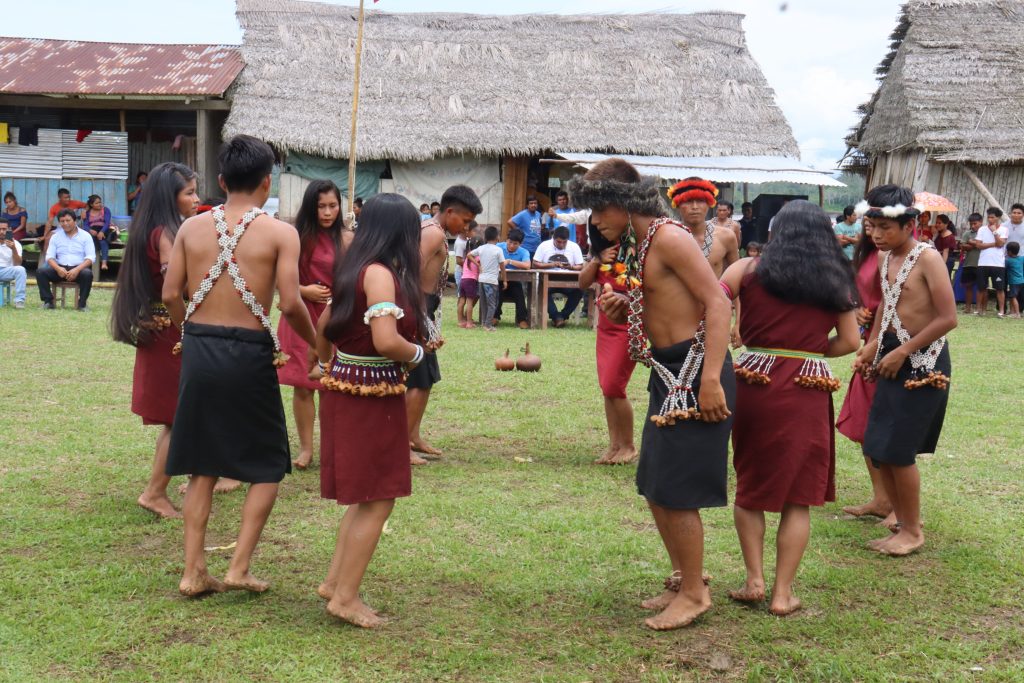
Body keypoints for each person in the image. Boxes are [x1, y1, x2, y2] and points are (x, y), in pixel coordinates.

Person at [573, 158, 734, 631]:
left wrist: (710, 380)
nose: (597, 220)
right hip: (668, 373)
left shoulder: (668, 237)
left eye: (601, 209)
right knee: (656, 484)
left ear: (624, 203)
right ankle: (688, 578)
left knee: (677, 490)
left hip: (694, 373)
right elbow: (668, 302)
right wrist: (628, 306)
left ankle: (694, 595)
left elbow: (718, 301)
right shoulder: (640, 244)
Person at [161, 134, 316, 596]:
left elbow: (171, 295)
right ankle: (239, 568)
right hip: (249, 352)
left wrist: (188, 333)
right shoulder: (280, 233)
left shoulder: (191, 228)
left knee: (201, 466)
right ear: (268, 184)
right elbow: (291, 304)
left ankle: (193, 572)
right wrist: (316, 346)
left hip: (201, 349)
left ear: (223, 180)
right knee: (268, 464)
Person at [721, 200, 859, 616]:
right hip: (806, 384)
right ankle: (783, 595)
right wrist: (808, 350)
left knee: (750, 488)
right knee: (797, 498)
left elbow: (710, 300)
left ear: (775, 230)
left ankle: (754, 581)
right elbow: (851, 342)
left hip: (754, 382)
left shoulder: (747, 270)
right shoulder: (836, 279)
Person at [310, 193, 426, 628]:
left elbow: (323, 327)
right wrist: (416, 355)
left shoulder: (353, 267)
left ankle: (335, 583)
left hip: (347, 384)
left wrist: (327, 363)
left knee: (365, 498)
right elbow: (386, 342)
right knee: (378, 498)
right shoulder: (380, 274)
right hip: (370, 391)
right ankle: (345, 597)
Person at [853, 184, 957, 557]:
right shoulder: (885, 258)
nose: (877, 235)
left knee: (898, 450)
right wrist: (873, 347)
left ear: (911, 224)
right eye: (873, 226)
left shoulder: (927, 258)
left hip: (924, 362)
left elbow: (948, 318)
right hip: (892, 355)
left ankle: (913, 530)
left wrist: (904, 352)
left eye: (886, 228)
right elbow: (887, 304)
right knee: (879, 445)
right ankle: (901, 523)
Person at [110, 162, 201, 519]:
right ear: (170, 197)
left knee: (182, 413)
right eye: (189, 193)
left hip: (159, 330)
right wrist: (190, 323)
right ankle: (154, 492)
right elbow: (173, 290)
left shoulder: (150, 229)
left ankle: (194, 472)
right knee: (177, 416)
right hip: (171, 333)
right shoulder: (166, 233)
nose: (196, 199)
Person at [409, 185, 482, 462]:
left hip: (426, 307)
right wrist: (419, 318)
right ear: (449, 211)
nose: (466, 228)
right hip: (418, 306)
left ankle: (413, 436)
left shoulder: (434, 232)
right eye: (464, 221)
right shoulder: (432, 233)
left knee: (427, 379)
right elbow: (410, 273)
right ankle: (402, 443)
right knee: (418, 379)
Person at [278, 180, 347, 470]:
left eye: (333, 205)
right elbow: (280, 280)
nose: (328, 212)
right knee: (304, 386)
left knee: (333, 385)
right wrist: (305, 291)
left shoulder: (347, 238)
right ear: (311, 207)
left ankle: (332, 447)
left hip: (335, 317)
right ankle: (306, 448)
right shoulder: (296, 237)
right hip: (302, 315)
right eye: (321, 206)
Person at [836, 217, 892, 525]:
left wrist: (873, 345)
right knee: (864, 426)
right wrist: (856, 307)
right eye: (868, 224)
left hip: (886, 344)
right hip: (869, 338)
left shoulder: (889, 255)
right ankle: (882, 499)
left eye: (878, 224)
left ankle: (900, 506)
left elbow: (896, 300)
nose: (871, 230)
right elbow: (857, 292)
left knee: (884, 427)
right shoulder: (865, 253)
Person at [578, 221, 638, 465]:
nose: (603, 225)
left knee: (615, 385)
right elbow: (582, 283)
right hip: (606, 326)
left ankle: (629, 446)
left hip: (628, 324)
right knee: (607, 388)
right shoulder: (601, 250)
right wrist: (596, 258)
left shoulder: (639, 247)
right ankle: (614, 445)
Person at [667, 178, 740, 345]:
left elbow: (738, 282)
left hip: (713, 316)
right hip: (676, 318)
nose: (694, 207)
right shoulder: (667, 238)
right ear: (677, 204)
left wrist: (738, 323)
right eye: (688, 201)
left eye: (700, 201)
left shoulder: (726, 237)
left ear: (709, 203)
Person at [37, 209, 95, 311]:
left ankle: (82, 304)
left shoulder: (86, 236)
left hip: (78, 269)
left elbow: (90, 258)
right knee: (41, 272)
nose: (65, 223)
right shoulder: (55, 237)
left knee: (87, 274)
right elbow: (49, 257)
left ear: (75, 221)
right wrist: (58, 269)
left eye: (68, 220)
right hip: (60, 269)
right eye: (62, 221)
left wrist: (76, 270)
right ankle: (48, 302)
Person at [532, 226, 584, 327]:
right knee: (542, 290)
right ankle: (557, 318)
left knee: (579, 291)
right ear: (553, 238)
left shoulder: (574, 247)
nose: (561, 245)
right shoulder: (544, 245)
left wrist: (571, 267)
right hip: (548, 279)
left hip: (568, 280)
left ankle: (560, 317)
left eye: (564, 242)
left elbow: (580, 266)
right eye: (559, 242)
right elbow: (535, 264)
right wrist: (551, 265)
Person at [470, 226, 507, 332]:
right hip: (491, 281)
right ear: (497, 237)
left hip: (481, 280)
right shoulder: (498, 250)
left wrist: (478, 265)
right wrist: (504, 280)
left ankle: (484, 322)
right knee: (492, 304)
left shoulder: (481, 248)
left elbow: (469, 255)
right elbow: (502, 267)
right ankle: (488, 325)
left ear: (485, 237)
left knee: (484, 303)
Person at [495, 228, 532, 329]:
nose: (511, 246)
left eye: (515, 243)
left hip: (515, 282)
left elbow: (527, 265)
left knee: (519, 293)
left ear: (520, 244)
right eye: (510, 242)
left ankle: (522, 319)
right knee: (498, 292)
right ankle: (495, 316)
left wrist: (509, 261)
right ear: (506, 240)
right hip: (499, 280)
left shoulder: (524, 252)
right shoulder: (498, 247)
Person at [975, 207, 1008, 316]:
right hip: (983, 263)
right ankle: (979, 309)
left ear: (998, 218)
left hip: (998, 264)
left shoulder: (1004, 229)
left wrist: (994, 231)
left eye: (992, 217)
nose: (990, 219)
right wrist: (993, 244)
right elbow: (978, 245)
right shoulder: (982, 229)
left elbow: (1001, 244)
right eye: (988, 217)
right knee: (981, 287)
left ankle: (1001, 311)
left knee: (999, 288)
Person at [43, 188, 88, 258]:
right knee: (48, 238)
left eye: (69, 197)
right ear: (59, 198)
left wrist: (85, 211)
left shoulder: (75, 203)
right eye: (65, 198)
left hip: (75, 228)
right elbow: (49, 222)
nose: (68, 199)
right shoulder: (54, 207)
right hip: (61, 228)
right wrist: (45, 235)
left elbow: (88, 205)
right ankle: (48, 260)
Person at [81, 195, 116, 271]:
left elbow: (107, 223)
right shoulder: (87, 213)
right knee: (90, 242)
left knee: (103, 241)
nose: (99, 204)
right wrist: (90, 230)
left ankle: (104, 263)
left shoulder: (105, 210)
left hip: (104, 229)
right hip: (92, 230)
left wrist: (101, 232)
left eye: (100, 202)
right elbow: (85, 225)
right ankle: (87, 263)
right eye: (96, 203)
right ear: (91, 205)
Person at [958, 213, 983, 313]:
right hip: (968, 263)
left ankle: (980, 308)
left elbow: (985, 245)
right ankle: (968, 308)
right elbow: (963, 246)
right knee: (968, 286)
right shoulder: (967, 234)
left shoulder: (985, 233)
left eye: (975, 223)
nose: (973, 226)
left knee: (982, 287)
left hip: (982, 264)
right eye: (971, 224)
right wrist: (977, 244)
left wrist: (972, 243)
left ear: (981, 222)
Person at [0, 218, 27, 308]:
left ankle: (19, 301)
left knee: (21, 270)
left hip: (5, 271)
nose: (2, 232)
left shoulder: (15, 244)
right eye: (0, 229)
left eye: (4, 229)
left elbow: (17, 264)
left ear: (9, 230)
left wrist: (13, 249)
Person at [457, 236, 482, 328]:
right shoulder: (478, 258)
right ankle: (469, 323)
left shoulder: (466, 258)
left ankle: (460, 321)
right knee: (470, 302)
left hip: (463, 280)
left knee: (461, 302)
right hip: (471, 281)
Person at [1005, 241, 1024, 318]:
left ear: (1009, 251)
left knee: (1013, 297)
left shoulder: (1008, 260)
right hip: (1022, 281)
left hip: (1013, 282)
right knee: (1013, 296)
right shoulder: (1021, 258)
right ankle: (1012, 312)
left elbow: (1004, 268)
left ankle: (1017, 313)